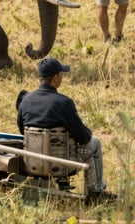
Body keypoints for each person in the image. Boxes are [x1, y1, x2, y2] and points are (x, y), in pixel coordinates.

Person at [17, 57, 115, 202]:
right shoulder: (64, 103)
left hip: (32, 161)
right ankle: (96, 191)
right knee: (94, 143)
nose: (62, 76)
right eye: (61, 74)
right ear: (55, 78)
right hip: (61, 162)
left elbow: (21, 130)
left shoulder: (25, 100)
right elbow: (83, 137)